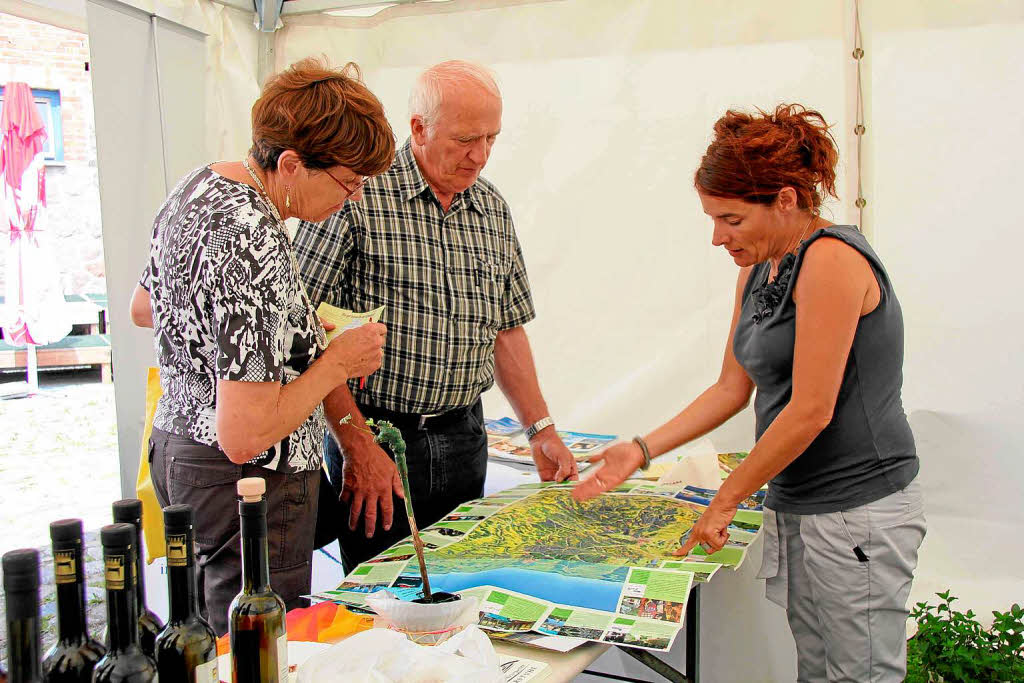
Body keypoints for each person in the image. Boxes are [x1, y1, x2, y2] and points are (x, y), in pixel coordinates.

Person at [574, 104, 925, 682]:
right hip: (798, 500)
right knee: (815, 668)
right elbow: (730, 387)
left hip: (858, 510)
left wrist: (727, 497)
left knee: (863, 674)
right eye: (712, 219)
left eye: (732, 219)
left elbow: (811, 410)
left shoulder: (832, 260)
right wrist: (639, 448)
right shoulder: (759, 268)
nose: (717, 237)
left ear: (785, 199)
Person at [129, 58, 395, 635]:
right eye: (348, 184)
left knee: (200, 636)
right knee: (251, 646)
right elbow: (244, 432)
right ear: (293, 164)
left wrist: (285, 328)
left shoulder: (198, 187)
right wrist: (335, 363)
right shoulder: (255, 237)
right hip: (247, 481)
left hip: (179, 451)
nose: (350, 201)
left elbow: (146, 306)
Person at [294, 60, 577, 571]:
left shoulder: (492, 210)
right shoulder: (354, 198)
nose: (480, 155)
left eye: (492, 138)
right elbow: (306, 338)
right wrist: (356, 447)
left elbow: (506, 329)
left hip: (465, 437)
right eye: (467, 138)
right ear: (419, 128)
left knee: (462, 591)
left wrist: (542, 429)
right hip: (378, 440)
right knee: (383, 603)